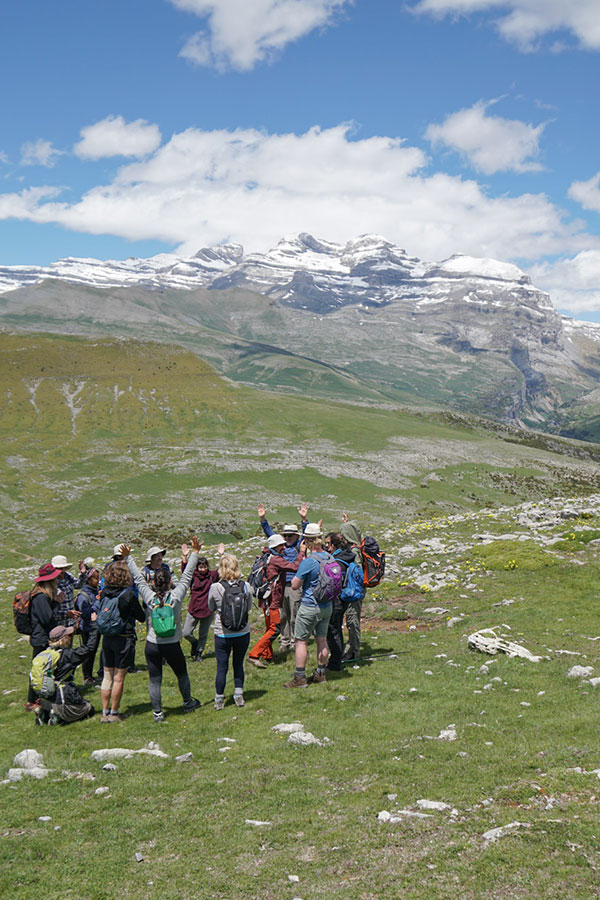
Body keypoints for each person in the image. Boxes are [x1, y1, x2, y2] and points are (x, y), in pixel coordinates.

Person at [121, 540, 203, 723]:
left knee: (154, 680)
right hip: (172, 644)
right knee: (182, 674)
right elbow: (188, 575)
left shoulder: (149, 596)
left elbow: (138, 578)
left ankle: (158, 713)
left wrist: (128, 558)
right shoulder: (176, 595)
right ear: (169, 582)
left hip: (153, 644)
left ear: (154, 583)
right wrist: (195, 553)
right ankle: (188, 702)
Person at [284, 523, 335, 688]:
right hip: (327, 606)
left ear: (306, 540)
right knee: (322, 639)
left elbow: (294, 585)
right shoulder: (330, 557)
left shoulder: (309, 562)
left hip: (309, 605)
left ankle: (300, 678)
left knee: (301, 641)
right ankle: (321, 673)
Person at [247, 534, 305, 668]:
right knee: (275, 629)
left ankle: (268, 656)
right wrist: (301, 552)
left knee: (269, 627)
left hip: (265, 600)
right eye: (281, 545)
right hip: (273, 600)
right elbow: (295, 567)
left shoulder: (266, 556)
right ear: (275, 547)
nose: (284, 547)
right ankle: (254, 654)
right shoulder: (276, 560)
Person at [98, 559, 145, 722]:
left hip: (107, 638)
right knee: (119, 678)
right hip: (124, 638)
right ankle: (114, 712)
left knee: (107, 676)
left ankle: (104, 713)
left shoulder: (104, 592)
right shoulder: (128, 594)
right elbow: (142, 617)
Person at [257, 502, 309, 651]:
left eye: (290, 535)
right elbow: (270, 535)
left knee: (294, 614)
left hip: (294, 585)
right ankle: (284, 641)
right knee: (283, 615)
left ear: (295, 536)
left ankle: (294, 640)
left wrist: (304, 520)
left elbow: (306, 536)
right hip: (280, 586)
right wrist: (263, 519)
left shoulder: (299, 546)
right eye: (285, 535)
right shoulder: (280, 547)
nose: (287, 538)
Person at [208, 554, 253, 710]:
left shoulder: (215, 587)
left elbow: (210, 606)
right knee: (238, 663)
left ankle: (219, 698)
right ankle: (238, 695)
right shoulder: (246, 586)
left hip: (222, 632)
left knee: (222, 666)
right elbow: (249, 607)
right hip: (242, 631)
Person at [31, 622, 98, 725]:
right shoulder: (67, 655)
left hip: (48, 694)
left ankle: (45, 712)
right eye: (69, 635)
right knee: (88, 709)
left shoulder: (47, 653)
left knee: (53, 703)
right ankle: (59, 717)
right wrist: (94, 627)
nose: (70, 637)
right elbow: (89, 649)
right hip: (63, 693)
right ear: (64, 638)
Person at [25, 562, 63, 709]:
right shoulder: (41, 597)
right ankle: (32, 700)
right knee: (38, 668)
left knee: (40, 667)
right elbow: (47, 618)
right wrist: (57, 603)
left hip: (39, 636)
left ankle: (38, 697)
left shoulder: (41, 595)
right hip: (41, 637)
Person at [181, 542, 223, 661]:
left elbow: (222, 569)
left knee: (203, 634)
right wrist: (184, 557)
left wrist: (221, 555)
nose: (203, 569)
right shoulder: (193, 576)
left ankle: (199, 653)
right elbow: (185, 571)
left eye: (205, 567)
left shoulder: (212, 576)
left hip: (208, 610)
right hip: (193, 609)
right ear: (197, 567)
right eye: (200, 567)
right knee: (186, 633)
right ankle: (194, 643)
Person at [324, 532, 359, 670]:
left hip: (336, 599)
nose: (326, 546)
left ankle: (335, 663)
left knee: (333, 630)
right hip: (344, 598)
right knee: (336, 628)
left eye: (327, 543)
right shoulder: (347, 555)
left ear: (333, 545)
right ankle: (336, 660)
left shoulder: (337, 561)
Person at [339, 514, 364, 661]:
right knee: (351, 620)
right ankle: (351, 649)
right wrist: (347, 523)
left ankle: (354, 651)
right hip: (353, 591)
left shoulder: (354, 553)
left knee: (352, 620)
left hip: (353, 592)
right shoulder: (357, 547)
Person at [75, 567, 102, 684]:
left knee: (93, 651)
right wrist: (98, 602)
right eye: (96, 578)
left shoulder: (95, 591)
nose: (98, 580)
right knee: (88, 651)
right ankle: (86, 677)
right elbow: (86, 613)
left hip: (95, 626)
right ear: (88, 580)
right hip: (87, 627)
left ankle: (90, 676)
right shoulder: (83, 596)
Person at [51, 554, 86, 627]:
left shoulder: (67, 576)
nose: (62, 571)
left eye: (63, 568)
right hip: (58, 622)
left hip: (70, 621)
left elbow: (78, 585)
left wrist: (82, 573)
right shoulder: (51, 582)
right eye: (59, 569)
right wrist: (66, 614)